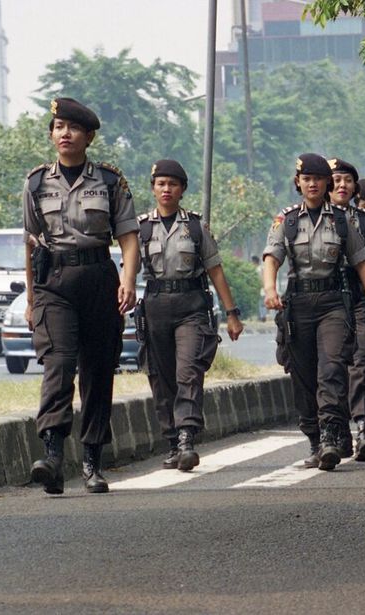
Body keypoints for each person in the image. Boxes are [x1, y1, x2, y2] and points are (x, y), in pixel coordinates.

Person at [22, 97, 140, 495]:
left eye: (73, 128)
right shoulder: (36, 182)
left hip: (98, 279)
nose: (65, 134)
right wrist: (30, 299)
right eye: (58, 128)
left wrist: (128, 279)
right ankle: (52, 455)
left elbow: (127, 236)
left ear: (88, 137)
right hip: (54, 281)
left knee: (97, 370)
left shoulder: (110, 181)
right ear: (52, 134)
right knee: (58, 364)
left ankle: (92, 461)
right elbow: (31, 242)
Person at [263, 153, 365, 471]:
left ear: (326, 183)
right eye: (306, 179)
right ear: (298, 183)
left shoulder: (343, 221)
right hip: (298, 304)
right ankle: (316, 439)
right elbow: (271, 258)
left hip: (333, 302)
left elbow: (361, 263)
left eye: (318, 178)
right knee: (303, 376)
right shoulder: (286, 221)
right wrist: (270, 290)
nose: (312, 184)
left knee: (331, 368)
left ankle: (331, 435)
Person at [137, 159, 244, 472]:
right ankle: (172, 441)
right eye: (161, 183)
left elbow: (215, 269)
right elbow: (129, 268)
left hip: (191, 306)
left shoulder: (196, 227)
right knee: (161, 376)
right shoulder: (141, 227)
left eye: (173, 184)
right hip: (155, 305)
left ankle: (186, 438)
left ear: (182, 189)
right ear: (153, 188)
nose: (166, 189)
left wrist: (232, 313)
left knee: (189, 372)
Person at [329, 157, 365, 461]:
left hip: (360, 297)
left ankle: (364, 425)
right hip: (328, 298)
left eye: (348, 180)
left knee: (361, 359)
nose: (342, 185)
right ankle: (337, 431)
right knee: (332, 367)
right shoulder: (306, 218)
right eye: (336, 179)